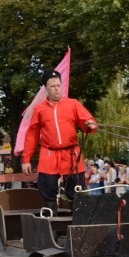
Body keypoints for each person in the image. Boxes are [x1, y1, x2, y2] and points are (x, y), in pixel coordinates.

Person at [21, 69, 97, 212]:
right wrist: (26, 159)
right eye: (52, 86)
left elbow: (87, 120)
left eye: (58, 85)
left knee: (77, 191)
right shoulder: (39, 109)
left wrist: (90, 124)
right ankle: (51, 227)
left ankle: (78, 227)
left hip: (72, 154)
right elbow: (32, 136)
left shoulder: (73, 104)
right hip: (49, 155)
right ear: (46, 89)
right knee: (48, 190)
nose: (56, 89)